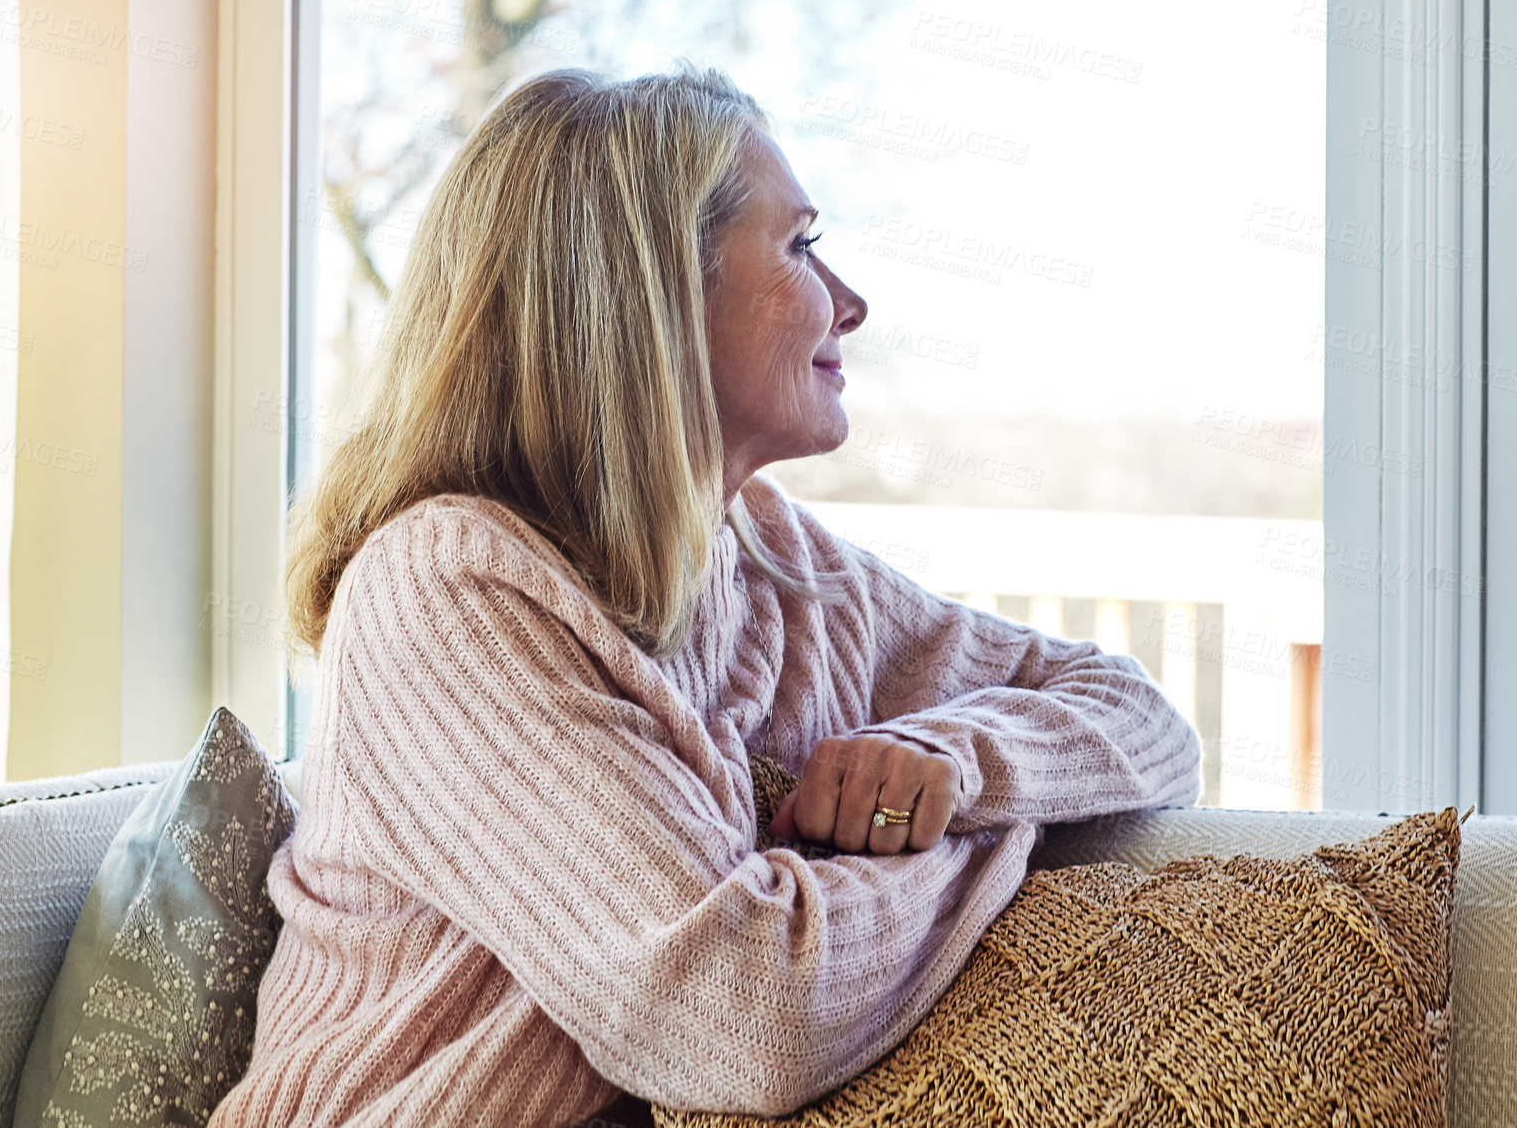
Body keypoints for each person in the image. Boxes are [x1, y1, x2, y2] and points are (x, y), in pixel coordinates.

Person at [208, 65, 1201, 1128]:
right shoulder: (445, 593)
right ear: (652, 291)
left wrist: (958, 767)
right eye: (801, 245)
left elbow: (1145, 722)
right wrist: (977, 833)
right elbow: (741, 1012)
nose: (851, 304)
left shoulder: (771, 557)